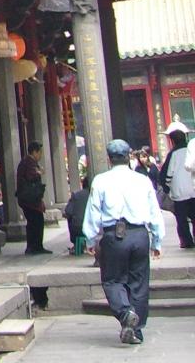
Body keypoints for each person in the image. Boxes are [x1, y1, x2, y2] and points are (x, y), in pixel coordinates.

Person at [82, 138, 165, 345]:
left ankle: (125, 313)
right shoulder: (142, 180)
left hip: (114, 236)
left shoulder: (101, 181)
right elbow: (154, 211)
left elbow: (93, 212)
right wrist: (157, 240)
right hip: (140, 234)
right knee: (139, 283)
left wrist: (90, 239)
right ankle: (136, 329)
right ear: (128, 157)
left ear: (109, 159)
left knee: (113, 280)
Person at [158, 122, 194, 249]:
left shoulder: (173, 153)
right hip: (193, 188)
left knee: (181, 219)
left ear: (172, 140)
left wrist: (167, 188)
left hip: (179, 192)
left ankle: (187, 241)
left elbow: (166, 174)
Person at [16, 142, 50, 255]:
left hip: (27, 199)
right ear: (35, 152)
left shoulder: (26, 162)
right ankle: (34, 246)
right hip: (30, 199)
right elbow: (31, 177)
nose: (40, 155)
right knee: (36, 222)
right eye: (40, 152)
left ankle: (34, 246)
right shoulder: (29, 162)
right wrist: (39, 173)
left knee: (34, 222)